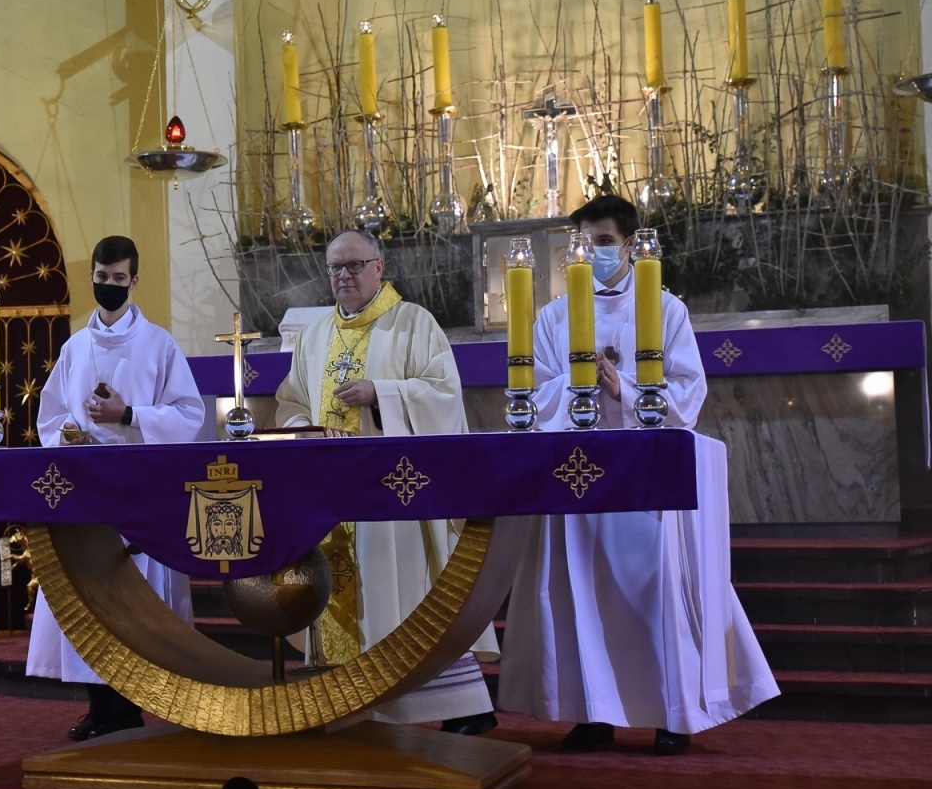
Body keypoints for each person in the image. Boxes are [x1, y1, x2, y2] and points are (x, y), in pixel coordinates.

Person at [497, 194, 778, 753]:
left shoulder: (665, 309)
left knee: (653, 593)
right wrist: (579, 385)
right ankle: (592, 711)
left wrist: (621, 389)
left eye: (601, 242)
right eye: (581, 243)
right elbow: (535, 392)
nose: (591, 253)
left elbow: (689, 392)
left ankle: (672, 714)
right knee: (584, 592)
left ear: (628, 244)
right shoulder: (553, 317)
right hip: (578, 471)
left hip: (644, 476)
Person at [274, 229, 499, 735]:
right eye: (335, 268)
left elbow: (443, 395)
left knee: (409, 596)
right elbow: (291, 401)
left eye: (354, 265)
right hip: (332, 498)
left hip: (396, 493)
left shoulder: (413, 323)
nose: (343, 277)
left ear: (379, 267)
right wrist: (296, 429)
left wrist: (382, 393)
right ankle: (353, 704)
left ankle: (462, 708)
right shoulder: (314, 335)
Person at [28, 235, 207, 741]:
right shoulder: (75, 346)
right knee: (90, 597)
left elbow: (188, 415)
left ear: (134, 280)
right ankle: (100, 707)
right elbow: (52, 412)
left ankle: (130, 708)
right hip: (86, 487)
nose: (108, 287)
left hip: (136, 490)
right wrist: (68, 432)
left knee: (134, 599)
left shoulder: (159, 344)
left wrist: (126, 415)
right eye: (101, 279)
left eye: (118, 279)